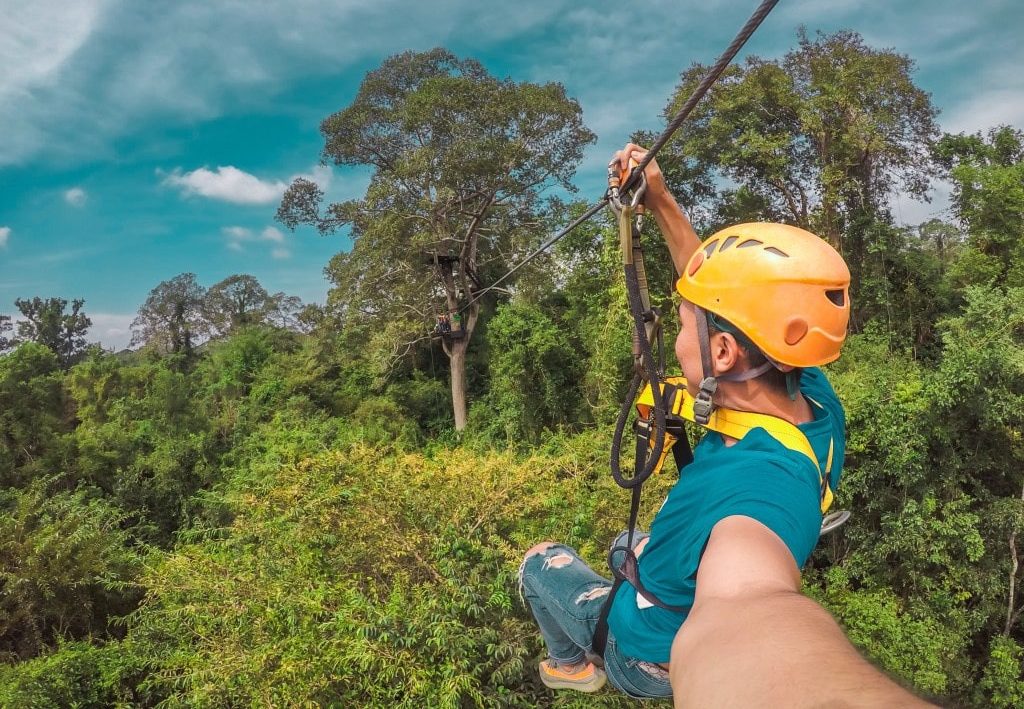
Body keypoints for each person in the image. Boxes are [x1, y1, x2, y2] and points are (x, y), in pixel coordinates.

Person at [518, 144, 933, 706]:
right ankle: (625, 573)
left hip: (647, 653)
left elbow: (748, 611)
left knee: (540, 560)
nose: (677, 334)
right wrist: (659, 200)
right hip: (675, 586)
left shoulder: (754, 494)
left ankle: (570, 663)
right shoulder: (809, 389)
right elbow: (715, 292)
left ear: (722, 351)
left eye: (683, 324)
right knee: (625, 544)